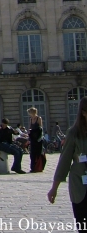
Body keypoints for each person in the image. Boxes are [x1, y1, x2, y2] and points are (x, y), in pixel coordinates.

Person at [48, 97, 87, 227]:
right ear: (83, 113)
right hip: (80, 184)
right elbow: (64, 162)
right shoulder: (74, 133)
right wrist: (54, 188)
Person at [28, 107, 45, 172]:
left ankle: (39, 167)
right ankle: (33, 167)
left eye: (30, 113)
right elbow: (30, 127)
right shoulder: (31, 119)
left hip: (38, 138)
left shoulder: (39, 118)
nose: (29, 114)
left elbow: (40, 128)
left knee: (38, 153)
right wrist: (29, 133)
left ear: (33, 112)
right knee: (32, 153)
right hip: (33, 138)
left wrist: (39, 137)